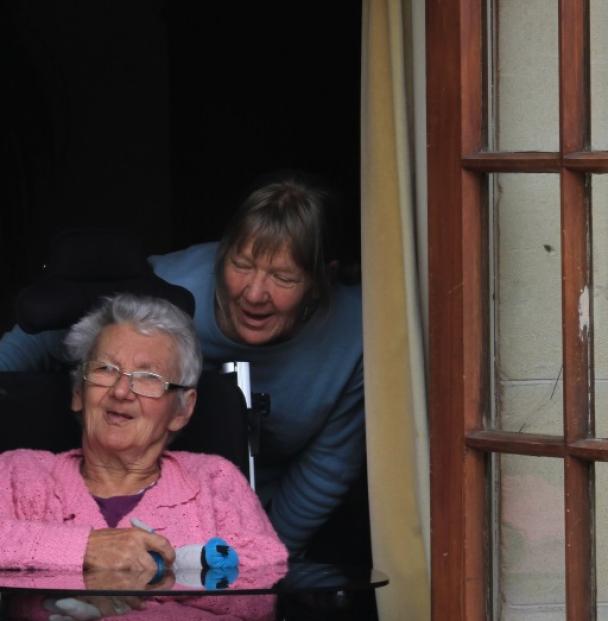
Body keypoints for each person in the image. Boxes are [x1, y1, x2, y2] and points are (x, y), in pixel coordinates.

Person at [0, 173, 365, 561]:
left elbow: (326, 470)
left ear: (321, 279)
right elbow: (48, 328)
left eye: (283, 277)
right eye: (241, 265)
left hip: (252, 511)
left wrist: (266, 560)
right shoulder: (166, 289)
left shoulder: (356, 335)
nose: (254, 294)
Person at [0, 294, 287, 620]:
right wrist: (85, 549)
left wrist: (134, 600)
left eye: (148, 378)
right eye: (105, 369)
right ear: (79, 392)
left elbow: (260, 596)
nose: (121, 392)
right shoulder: (19, 473)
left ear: (182, 409)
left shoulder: (216, 481)